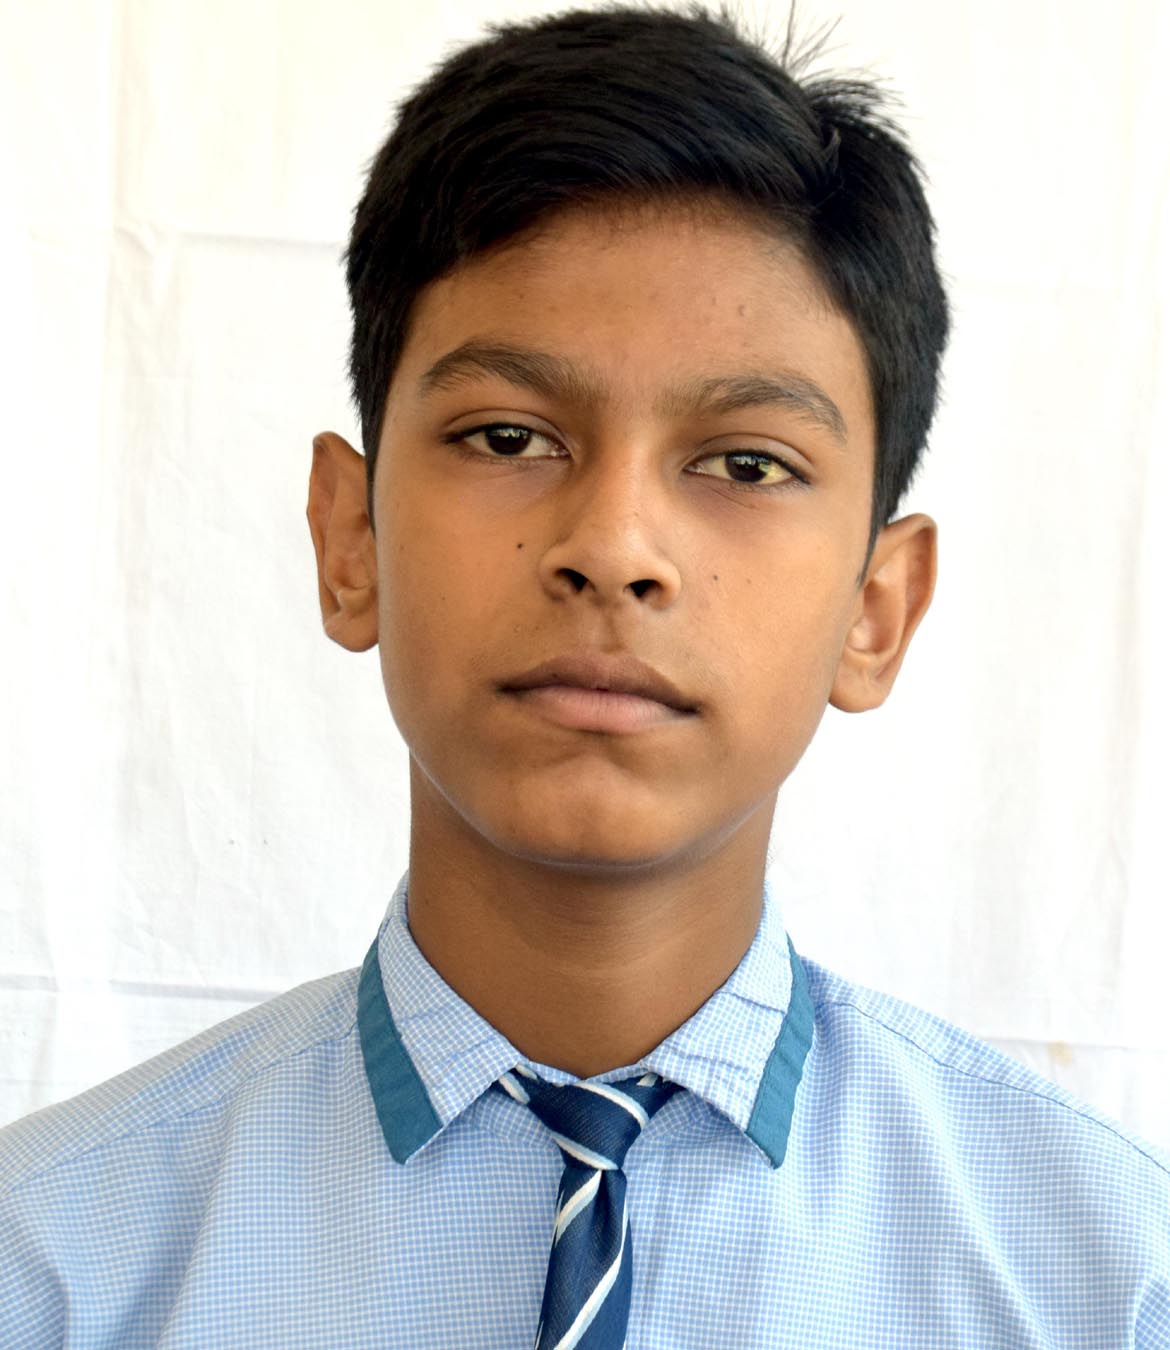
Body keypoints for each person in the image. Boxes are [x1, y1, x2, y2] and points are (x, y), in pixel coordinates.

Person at [2, 3, 1168, 1346]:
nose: (612, 547)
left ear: (876, 608)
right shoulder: (52, 1268)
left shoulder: (1106, 1283)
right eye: (508, 436)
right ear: (349, 540)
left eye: (745, 463)